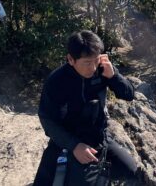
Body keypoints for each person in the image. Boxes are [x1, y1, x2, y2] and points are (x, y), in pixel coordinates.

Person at [33, 30, 137, 186]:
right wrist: (74, 146)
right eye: (87, 63)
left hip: (99, 137)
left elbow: (129, 94)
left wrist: (114, 76)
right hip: (69, 138)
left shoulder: (103, 69)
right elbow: (47, 121)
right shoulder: (57, 81)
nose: (93, 68)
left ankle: (100, 176)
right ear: (70, 59)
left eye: (96, 61)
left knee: (129, 169)